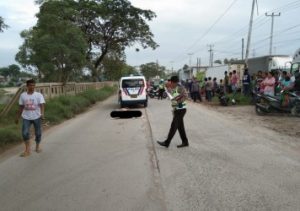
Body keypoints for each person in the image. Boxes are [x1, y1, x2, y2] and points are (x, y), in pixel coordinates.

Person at [16, 79, 45, 157]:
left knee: (38, 133)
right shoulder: (23, 95)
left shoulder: (39, 95)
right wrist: (17, 117)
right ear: (27, 86)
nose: (32, 86)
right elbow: (21, 107)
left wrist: (42, 114)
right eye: (30, 85)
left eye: (33, 85)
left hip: (37, 116)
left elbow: (42, 105)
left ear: (35, 86)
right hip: (26, 117)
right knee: (25, 133)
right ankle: (27, 150)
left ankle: (37, 146)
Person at [157, 75, 189, 148]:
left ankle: (167, 142)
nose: (170, 84)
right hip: (176, 109)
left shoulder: (180, 88)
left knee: (173, 126)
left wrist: (177, 101)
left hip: (181, 109)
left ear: (174, 82)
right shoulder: (174, 87)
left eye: (171, 82)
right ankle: (185, 142)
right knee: (180, 127)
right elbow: (172, 94)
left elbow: (186, 96)